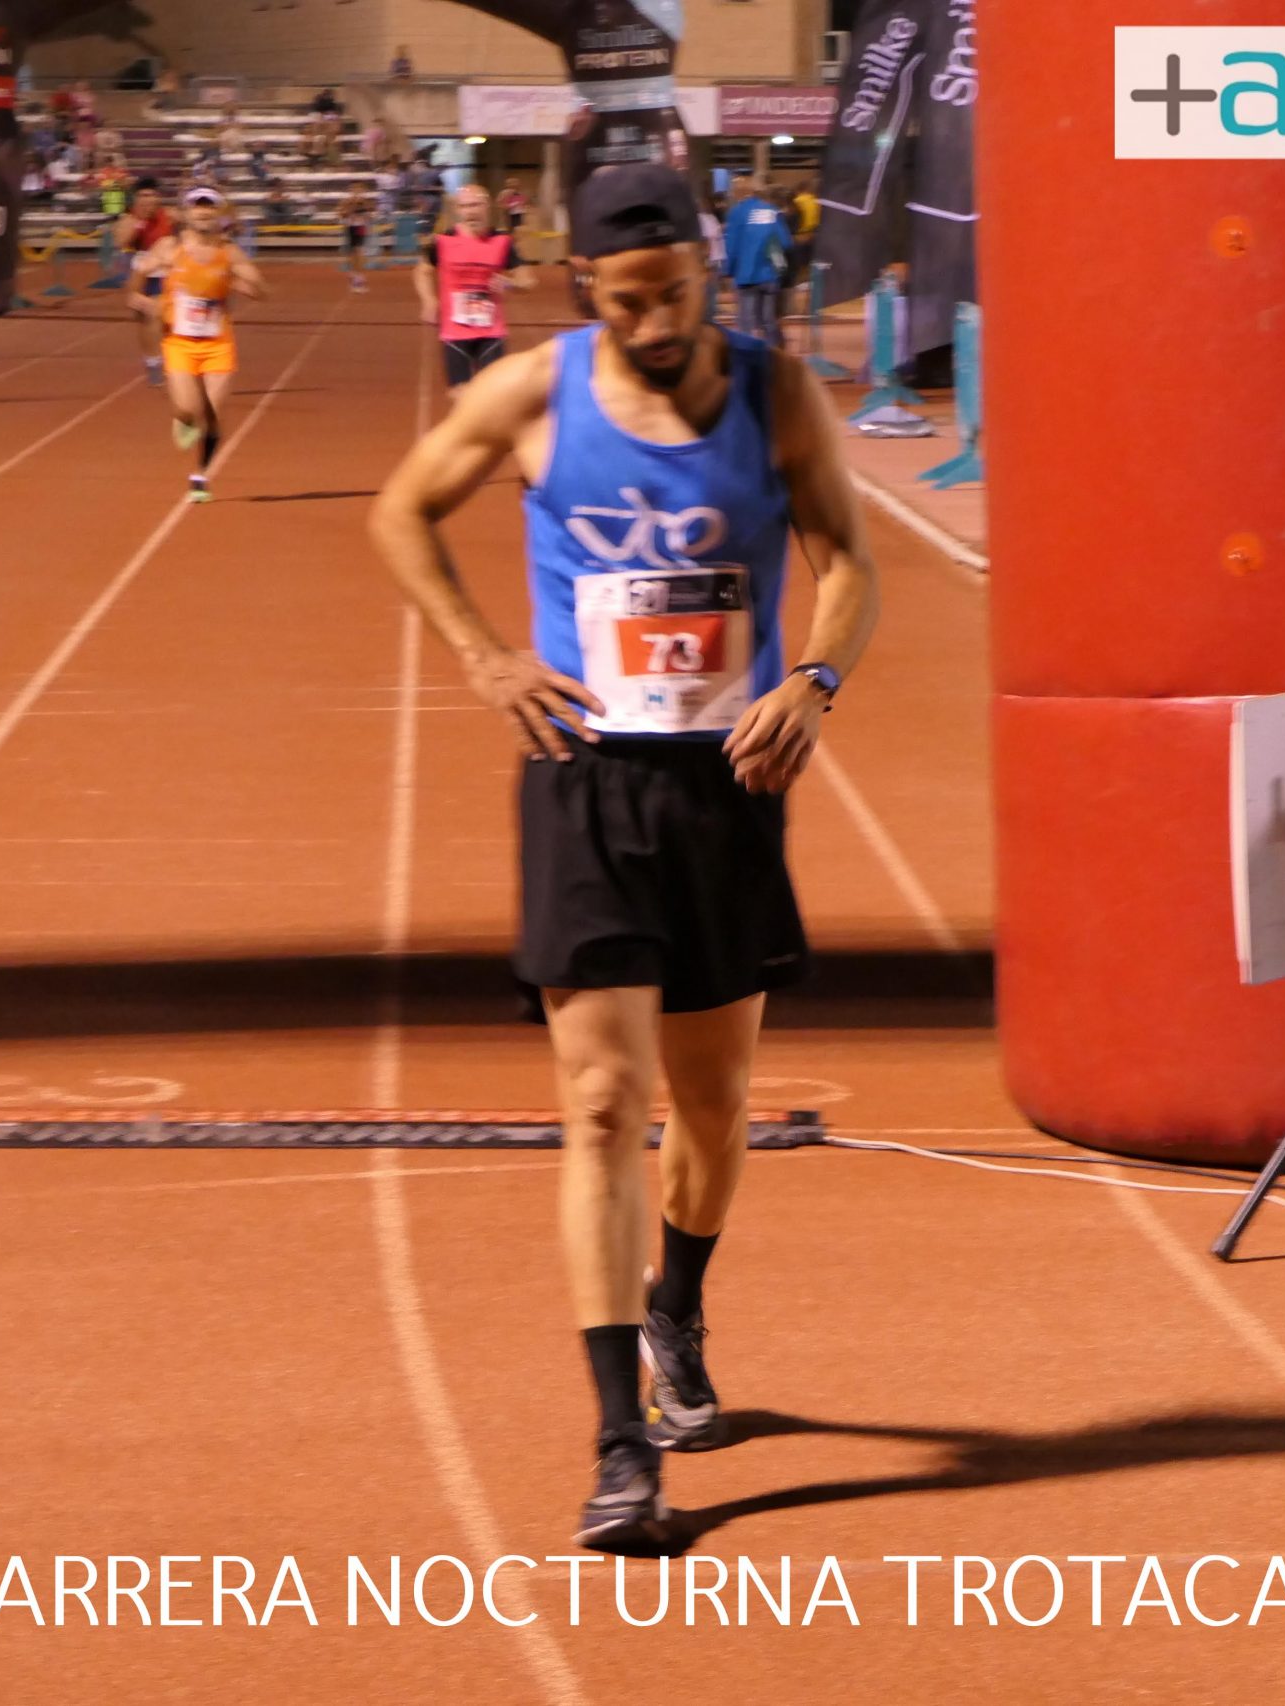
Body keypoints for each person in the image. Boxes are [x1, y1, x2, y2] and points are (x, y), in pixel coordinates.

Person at [366, 164, 880, 1552]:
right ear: (583, 284)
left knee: (711, 1102)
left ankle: (678, 1304)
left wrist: (814, 679)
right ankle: (617, 1446)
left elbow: (846, 560)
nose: (655, 323)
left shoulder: (776, 394)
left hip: (726, 783)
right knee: (601, 1101)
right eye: (628, 300)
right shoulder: (530, 394)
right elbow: (400, 510)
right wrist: (484, 655)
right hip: (584, 780)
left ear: (709, 269)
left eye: (677, 295)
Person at [130, 185, 263, 505]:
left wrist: (241, 282)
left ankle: (200, 475)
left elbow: (260, 289)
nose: (203, 211)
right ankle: (184, 418)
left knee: (213, 414)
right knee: (188, 410)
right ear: (186, 212)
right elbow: (139, 274)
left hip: (218, 343)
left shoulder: (229, 252)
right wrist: (139, 298)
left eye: (209, 206)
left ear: (218, 213)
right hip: (180, 342)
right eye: (197, 205)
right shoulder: (169, 248)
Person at [417, 184, 531, 396]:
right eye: (465, 206)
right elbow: (422, 272)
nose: (470, 211)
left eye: (475, 205)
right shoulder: (443, 241)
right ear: (458, 210)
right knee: (460, 395)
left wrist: (509, 283)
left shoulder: (503, 242)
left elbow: (528, 281)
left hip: (491, 332)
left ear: (486, 206)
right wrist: (429, 300)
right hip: (455, 332)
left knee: (492, 395)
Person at [117, 179, 175, 384]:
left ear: (158, 197)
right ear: (136, 198)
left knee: (160, 316)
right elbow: (121, 241)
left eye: (151, 195)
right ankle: (152, 362)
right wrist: (140, 222)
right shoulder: (129, 219)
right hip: (139, 273)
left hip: (164, 271)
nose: (148, 200)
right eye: (143, 195)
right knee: (145, 320)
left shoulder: (169, 215)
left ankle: (166, 361)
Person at [721, 179, 789, 349]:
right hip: (770, 274)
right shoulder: (771, 210)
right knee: (768, 320)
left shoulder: (737, 212)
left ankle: (747, 358)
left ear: (737, 193)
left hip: (747, 275)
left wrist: (728, 271)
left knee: (747, 323)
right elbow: (786, 242)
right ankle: (774, 356)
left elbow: (732, 246)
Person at [338, 184, 374, 293]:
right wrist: (352, 207)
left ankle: (358, 275)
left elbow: (370, 215)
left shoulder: (365, 202)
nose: (358, 193)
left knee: (359, 251)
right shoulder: (347, 202)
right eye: (355, 191)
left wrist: (366, 213)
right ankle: (355, 275)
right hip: (351, 227)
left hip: (360, 227)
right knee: (354, 252)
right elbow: (341, 214)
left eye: (360, 191)